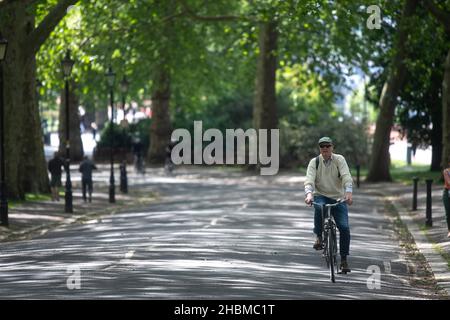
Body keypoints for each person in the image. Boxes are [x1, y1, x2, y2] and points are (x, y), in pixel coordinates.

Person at [304, 136, 353, 273]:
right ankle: (319, 237)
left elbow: (346, 176)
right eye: (322, 146)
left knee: (344, 228)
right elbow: (309, 180)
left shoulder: (339, 160)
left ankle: (343, 260)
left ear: (332, 147)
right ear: (319, 148)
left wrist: (348, 192)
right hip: (321, 196)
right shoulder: (315, 162)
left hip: (338, 197)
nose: (325, 148)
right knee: (319, 207)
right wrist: (309, 194)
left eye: (327, 146)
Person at [443, 158, 450, 238]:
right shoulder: (446, 171)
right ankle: (449, 230)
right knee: (448, 212)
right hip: (447, 193)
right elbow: (448, 182)